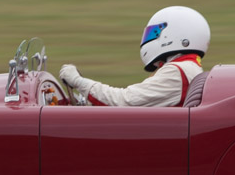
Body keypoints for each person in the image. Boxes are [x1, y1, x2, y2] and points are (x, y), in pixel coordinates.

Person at [58, 6, 210, 107]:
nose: (149, 38)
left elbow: (124, 102)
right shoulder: (189, 68)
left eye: (155, 33)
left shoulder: (177, 72)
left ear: (176, 35)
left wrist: (79, 82)